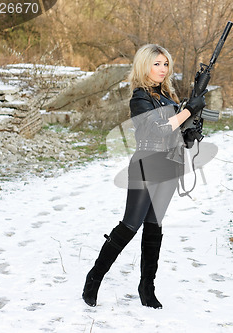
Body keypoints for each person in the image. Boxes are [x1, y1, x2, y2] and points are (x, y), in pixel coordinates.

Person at [82, 44, 206, 309]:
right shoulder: (139, 98)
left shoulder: (168, 97)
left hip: (171, 164)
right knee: (130, 224)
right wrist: (187, 111)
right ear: (144, 66)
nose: (162, 69)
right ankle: (94, 278)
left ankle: (146, 288)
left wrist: (189, 131)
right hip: (147, 164)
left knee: (154, 225)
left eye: (165, 64)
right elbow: (159, 129)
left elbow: (175, 133)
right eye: (156, 64)